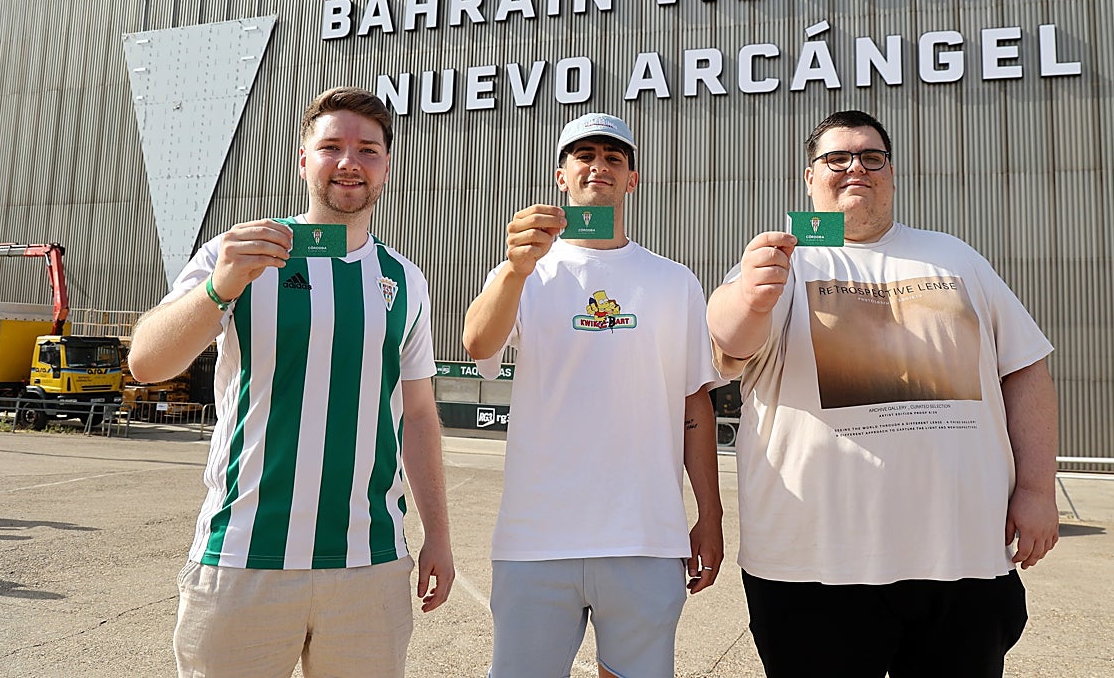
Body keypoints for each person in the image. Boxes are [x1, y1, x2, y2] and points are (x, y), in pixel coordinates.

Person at [706, 109, 1059, 678]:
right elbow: (726, 341)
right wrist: (751, 291)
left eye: (872, 157)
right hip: (812, 564)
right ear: (809, 177)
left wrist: (1039, 491)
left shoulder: (956, 257)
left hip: (960, 557)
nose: (856, 168)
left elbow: (1025, 370)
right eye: (837, 158)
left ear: (891, 174)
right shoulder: (784, 263)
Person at [128, 86, 454, 678]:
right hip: (242, 558)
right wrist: (218, 287)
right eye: (331, 146)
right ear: (303, 159)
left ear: (386, 167)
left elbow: (420, 417)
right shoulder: (238, 252)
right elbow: (148, 364)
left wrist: (438, 535)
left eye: (368, 149)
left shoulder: (403, 281)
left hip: (370, 563)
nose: (349, 161)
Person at [462, 112, 724, 678]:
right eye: (584, 155)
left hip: (644, 536)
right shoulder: (524, 271)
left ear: (632, 179)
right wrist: (514, 268)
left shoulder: (674, 280)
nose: (598, 166)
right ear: (561, 175)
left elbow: (693, 404)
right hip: (536, 538)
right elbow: (477, 343)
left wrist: (710, 515)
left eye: (613, 157)